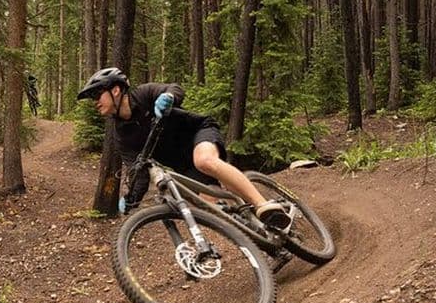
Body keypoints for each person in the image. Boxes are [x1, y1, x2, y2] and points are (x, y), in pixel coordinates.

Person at [76, 67, 291, 231]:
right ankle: (265, 236)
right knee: (213, 208)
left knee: (205, 161)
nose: (95, 102)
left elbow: (175, 89)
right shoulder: (121, 134)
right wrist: (131, 198)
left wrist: (168, 98)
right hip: (184, 167)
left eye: (98, 95)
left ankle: (264, 205)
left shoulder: (143, 94)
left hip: (199, 133)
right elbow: (138, 171)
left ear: (115, 90)